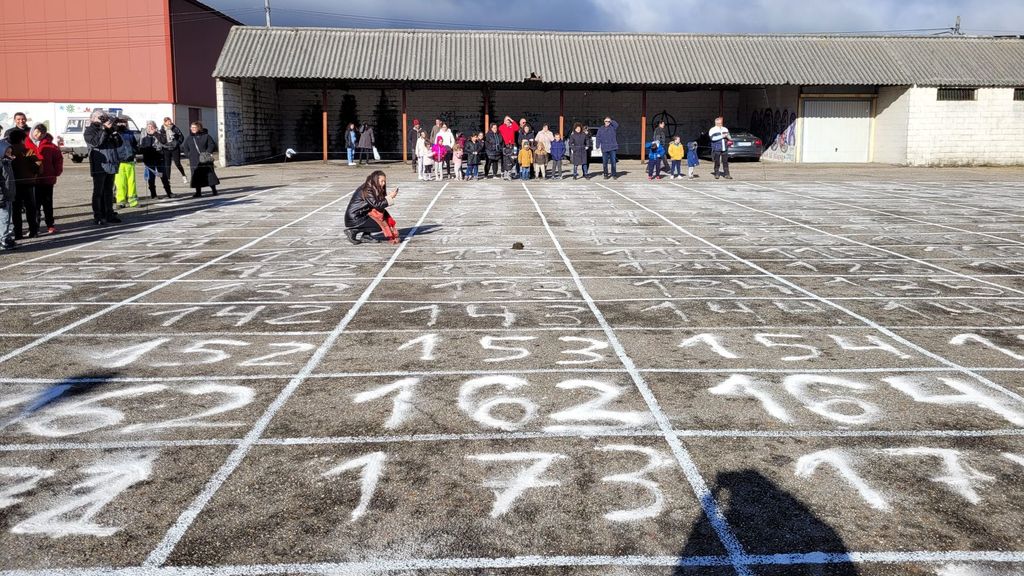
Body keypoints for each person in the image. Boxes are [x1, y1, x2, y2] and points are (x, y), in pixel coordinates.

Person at [84, 110, 121, 225]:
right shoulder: (89, 131)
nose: (103, 119)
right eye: (101, 117)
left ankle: (109, 213)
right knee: (98, 192)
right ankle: (98, 216)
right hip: (99, 164)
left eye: (104, 117)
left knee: (109, 191)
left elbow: (119, 143)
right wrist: (104, 129)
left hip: (111, 163)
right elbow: (96, 143)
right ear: (92, 118)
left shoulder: (108, 129)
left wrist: (113, 131)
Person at [344, 170, 400, 245]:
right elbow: (376, 204)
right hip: (355, 217)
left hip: (361, 215)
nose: (383, 184)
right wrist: (390, 198)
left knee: (380, 219)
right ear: (375, 180)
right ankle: (353, 231)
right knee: (381, 224)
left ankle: (366, 236)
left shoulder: (372, 187)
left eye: (384, 181)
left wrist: (388, 197)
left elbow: (377, 203)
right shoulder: (368, 189)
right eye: (381, 181)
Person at [30, 124, 63, 233]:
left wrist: (56, 172)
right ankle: (35, 227)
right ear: (32, 131)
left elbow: (58, 160)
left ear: (44, 134)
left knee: (48, 203)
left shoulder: (52, 146)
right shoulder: (26, 144)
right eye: (36, 132)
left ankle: (50, 225)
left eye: (41, 133)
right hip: (32, 180)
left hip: (47, 179)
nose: (38, 135)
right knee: (35, 205)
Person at [7, 130, 39, 239]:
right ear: (22, 139)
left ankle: (18, 233)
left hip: (13, 183)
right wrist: (34, 173)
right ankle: (33, 230)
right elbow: (38, 165)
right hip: (28, 182)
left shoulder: (8, 152)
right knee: (30, 208)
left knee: (16, 209)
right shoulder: (27, 151)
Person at [183, 121, 219, 197]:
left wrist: (207, 152)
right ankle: (198, 192)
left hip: (205, 159)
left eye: (194, 127)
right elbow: (185, 147)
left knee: (210, 175)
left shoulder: (206, 136)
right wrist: (188, 154)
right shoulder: (189, 137)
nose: (192, 129)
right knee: (196, 176)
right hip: (194, 160)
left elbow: (212, 145)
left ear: (199, 128)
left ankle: (214, 190)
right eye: (191, 127)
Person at [140, 121, 174, 199]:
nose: (150, 128)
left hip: (159, 159)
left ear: (155, 127)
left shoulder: (159, 134)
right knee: (151, 178)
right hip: (149, 160)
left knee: (163, 176)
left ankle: (169, 192)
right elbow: (141, 148)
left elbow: (164, 141)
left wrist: (155, 133)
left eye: (151, 126)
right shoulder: (144, 136)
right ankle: (153, 194)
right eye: (148, 126)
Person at [113, 118, 139, 209]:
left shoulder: (129, 133)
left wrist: (134, 152)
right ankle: (121, 201)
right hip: (119, 162)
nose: (122, 124)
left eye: (124, 122)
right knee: (120, 183)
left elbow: (135, 144)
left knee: (131, 182)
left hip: (130, 161)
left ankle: (133, 201)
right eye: (120, 122)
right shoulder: (114, 134)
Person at [162, 117, 187, 184]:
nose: (169, 123)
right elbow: (160, 138)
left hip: (175, 148)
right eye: (167, 121)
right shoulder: (162, 129)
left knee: (177, 163)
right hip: (166, 148)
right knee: (167, 164)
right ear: (164, 122)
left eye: (170, 121)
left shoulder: (175, 128)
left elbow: (181, 136)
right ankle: (168, 179)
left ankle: (184, 175)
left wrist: (177, 143)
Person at [0, 142, 15, 250]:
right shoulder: (1, 164)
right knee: (4, 219)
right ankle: (3, 239)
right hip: (2, 197)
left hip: (9, 196)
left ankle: (6, 237)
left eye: (10, 151)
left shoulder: (7, 163)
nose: (10, 153)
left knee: (8, 219)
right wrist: (1, 197)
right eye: (7, 152)